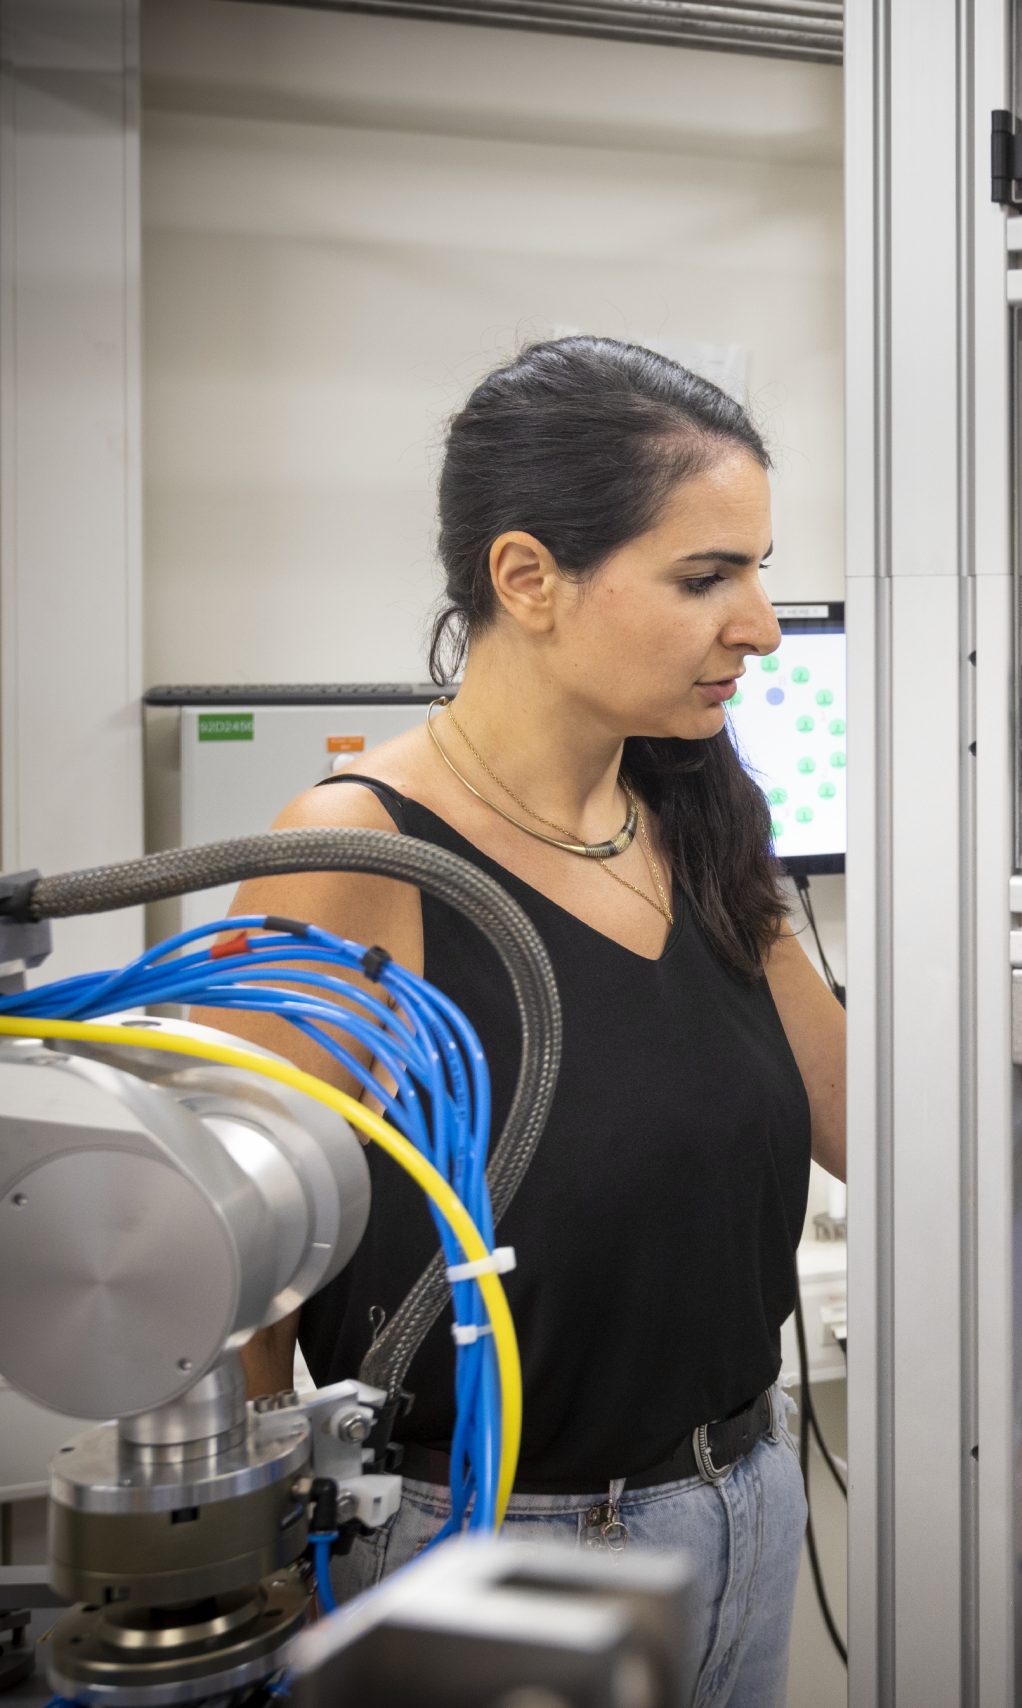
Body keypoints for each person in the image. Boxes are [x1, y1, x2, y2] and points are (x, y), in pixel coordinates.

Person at [219, 338, 842, 1707]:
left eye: (758, 567)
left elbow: (870, 1110)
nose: (762, 625)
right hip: (486, 1549)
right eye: (707, 576)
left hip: (741, 1508)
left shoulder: (702, 821)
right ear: (527, 580)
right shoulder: (356, 852)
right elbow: (240, 1259)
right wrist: (262, 1556)